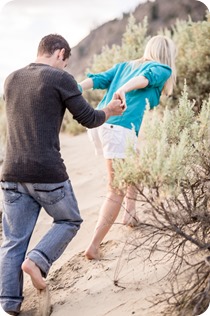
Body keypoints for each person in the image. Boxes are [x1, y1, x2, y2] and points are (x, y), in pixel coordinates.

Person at [0, 34, 124, 315]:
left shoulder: (11, 78)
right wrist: (112, 110)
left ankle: (9, 303)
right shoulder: (60, 79)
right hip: (47, 171)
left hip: (10, 173)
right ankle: (38, 260)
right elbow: (89, 118)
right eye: (65, 63)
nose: (65, 69)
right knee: (69, 219)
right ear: (59, 53)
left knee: (13, 239)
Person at [79, 35, 177, 260]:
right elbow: (145, 78)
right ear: (167, 54)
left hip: (100, 124)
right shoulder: (161, 68)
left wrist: (74, 88)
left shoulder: (126, 65)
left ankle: (130, 214)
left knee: (135, 163)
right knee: (116, 189)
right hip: (117, 127)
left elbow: (99, 79)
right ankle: (94, 246)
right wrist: (124, 89)